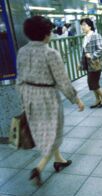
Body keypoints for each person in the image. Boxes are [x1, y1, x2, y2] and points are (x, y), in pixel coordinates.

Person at [16, 16, 85, 186]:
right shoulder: (50, 53)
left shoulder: (22, 51)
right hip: (47, 97)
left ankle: (59, 160)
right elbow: (62, 81)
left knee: (43, 130)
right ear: (46, 34)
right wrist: (76, 99)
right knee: (53, 130)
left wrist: (23, 99)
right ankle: (39, 168)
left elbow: (20, 78)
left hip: (29, 95)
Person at [79, 18, 102, 108]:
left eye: (84, 25)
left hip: (95, 63)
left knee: (93, 82)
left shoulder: (95, 35)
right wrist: (80, 62)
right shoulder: (85, 37)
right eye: (82, 25)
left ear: (90, 26)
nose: (82, 27)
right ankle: (98, 99)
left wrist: (92, 56)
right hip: (88, 64)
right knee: (91, 82)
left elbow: (101, 49)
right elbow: (84, 52)